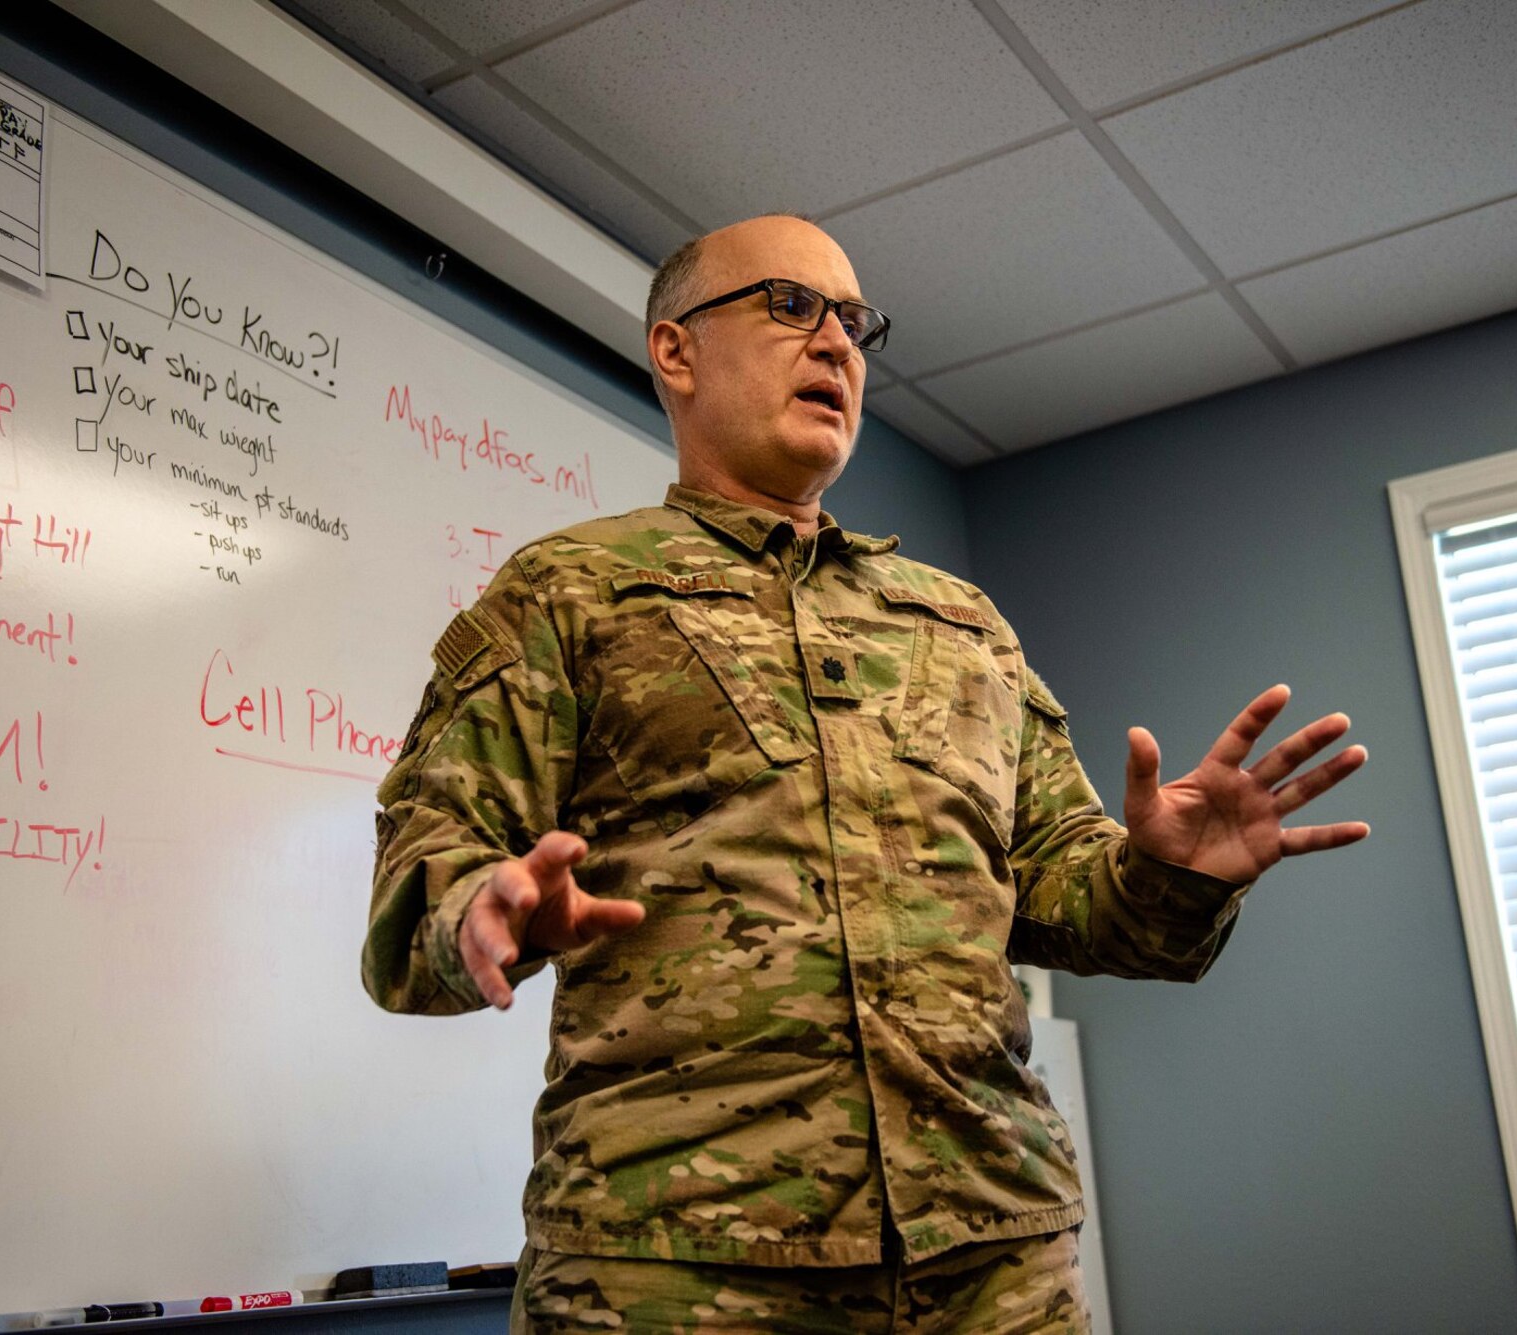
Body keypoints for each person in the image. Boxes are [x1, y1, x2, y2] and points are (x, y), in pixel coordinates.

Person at [365, 214, 1368, 1333]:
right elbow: (424, 879)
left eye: (855, 323)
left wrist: (1170, 874)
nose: (837, 345)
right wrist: (482, 915)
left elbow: (1065, 900)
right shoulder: (569, 592)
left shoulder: (959, 624)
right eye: (791, 306)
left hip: (992, 1259)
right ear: (675, 350)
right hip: (674, 1265)